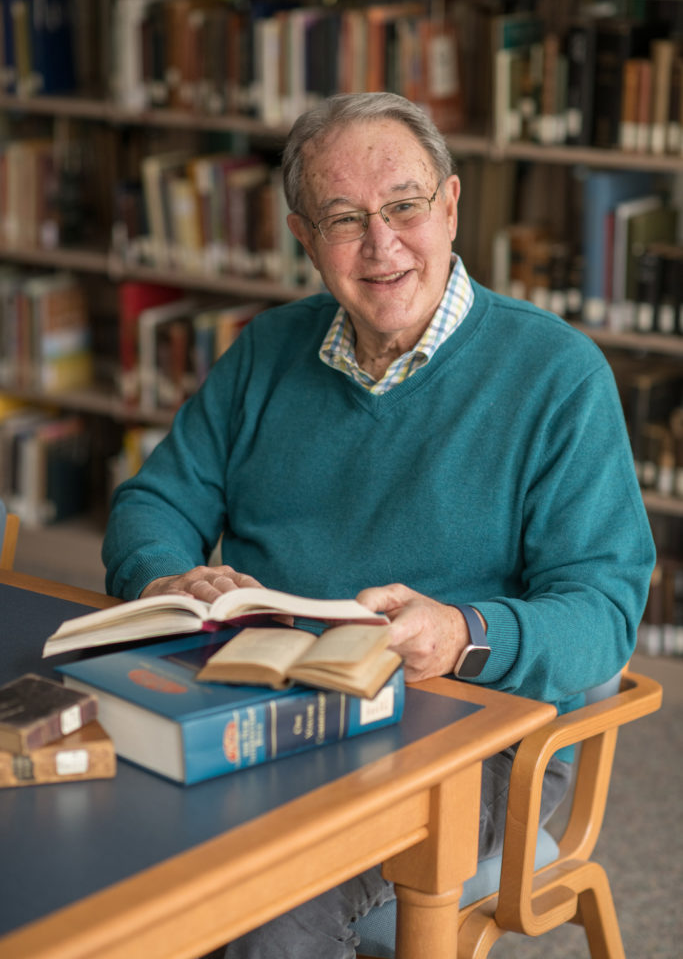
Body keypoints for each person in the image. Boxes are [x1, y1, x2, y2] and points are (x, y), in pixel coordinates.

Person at [102, 92, 655, 958]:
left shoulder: (556, 375)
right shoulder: (265, 350)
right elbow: (152, 502)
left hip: (464, 735)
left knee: (261, 909)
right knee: (100, 852)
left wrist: (463, 632)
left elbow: (603, 611)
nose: (382, 243)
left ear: (449, 205)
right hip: (264, 701)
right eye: (344, 218)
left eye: (403, 206)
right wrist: (167, 577)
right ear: (302, 237)